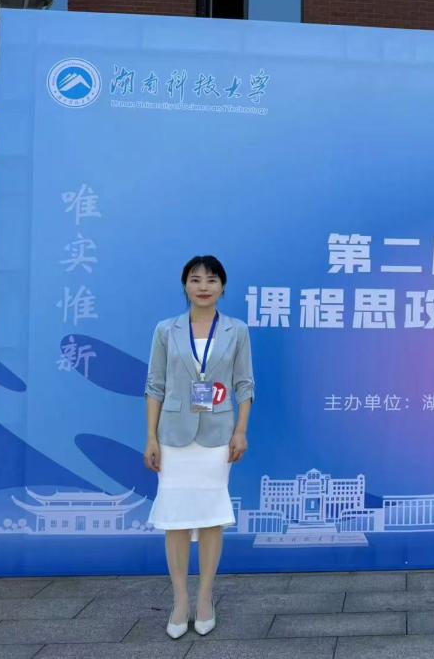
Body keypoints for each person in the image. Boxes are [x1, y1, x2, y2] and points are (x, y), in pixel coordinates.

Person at [143, 255, 254, 639]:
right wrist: (151, 436)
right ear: (185, 286)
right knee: (175, 518)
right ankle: (180, 601)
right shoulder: (166, 330)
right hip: (173, 436)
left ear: (223, 286)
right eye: (195, 279)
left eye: (211, 279)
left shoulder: (237, 331)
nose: (203, 286)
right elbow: (155, 385)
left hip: (217, 435)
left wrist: (240, 430)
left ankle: (205, 598)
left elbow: (245, 385)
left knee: (210, 517)